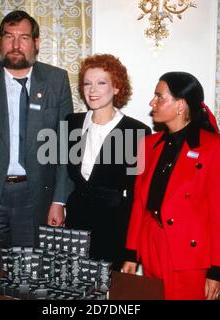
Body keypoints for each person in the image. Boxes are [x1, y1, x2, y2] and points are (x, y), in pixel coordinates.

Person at [0, 10, 73, 271]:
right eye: (9, 37)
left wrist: (59, 200)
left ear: (36, 43)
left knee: (31, 276)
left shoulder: (56, 80)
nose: (16, 45)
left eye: (24, 38)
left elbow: (66, 147)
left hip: (35, 197)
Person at [122, 72, 220, 300]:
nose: (152, 103)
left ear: (181, 105)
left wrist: (217, 272)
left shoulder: (217, 148)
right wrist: (131, 254)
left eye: (159, 97)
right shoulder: (147, 145)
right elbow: (139, 204)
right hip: (151, 245)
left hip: (189, 256)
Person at [64, 54, 151, 271]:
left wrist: (132, 250)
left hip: (114, 227)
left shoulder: (137, 132)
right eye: (87, 83)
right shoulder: (71, 123)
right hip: (75, 225)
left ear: (116, 88)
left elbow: (137, 195)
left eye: (101, 83)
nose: (92, 90)